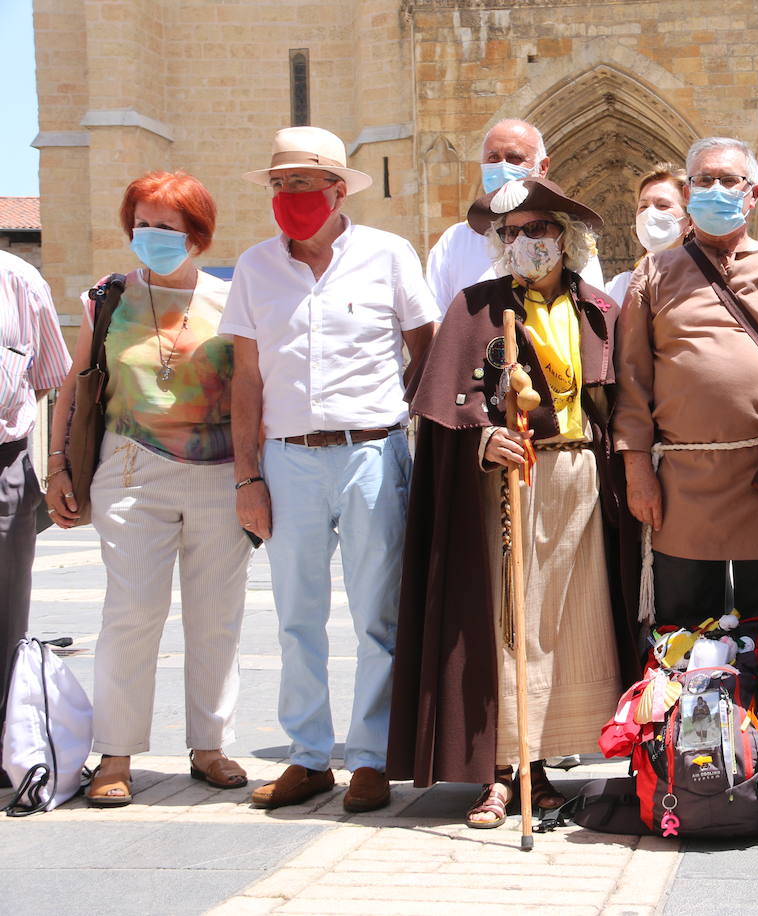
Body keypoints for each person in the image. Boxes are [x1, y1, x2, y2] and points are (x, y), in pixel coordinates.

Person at [388, 177, 634, 828]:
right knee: (507, 625)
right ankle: (498, 773)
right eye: (511, 233)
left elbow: (617, 402)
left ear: (565, 237)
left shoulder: (598, 310)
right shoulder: (476, 307)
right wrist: (482, 436)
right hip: (507, 485)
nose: (524, 242)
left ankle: (540, 766)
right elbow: (443, 410)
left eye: (537, 229)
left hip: (579, 479)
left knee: (566, 626)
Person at [221, 127, 438, 813]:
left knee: (378, 615)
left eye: (302, 183)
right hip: (288, 459)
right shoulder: (255, 266)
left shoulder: (388, 254)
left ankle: (371, 758)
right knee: (296, 616)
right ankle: (310, 756)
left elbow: (426, 348)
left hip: (372, 452)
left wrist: (404, 423)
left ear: (338, 191)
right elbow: (246, 378)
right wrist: (247, 477)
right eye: (279, 184)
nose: (288, 195)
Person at [44, 171, 248, 806]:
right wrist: (57, 464)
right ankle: (117, 752)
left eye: (167, 225)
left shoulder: (233, 300)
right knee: (131, 613)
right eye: (142, 223)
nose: (151, 234)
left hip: (218, 471)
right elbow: (76, 384)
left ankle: (210, 745)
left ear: (197, 233)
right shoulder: (108, 297)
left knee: (217, 614)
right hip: (131, 468)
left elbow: (254, 389)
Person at [614, 137, 758, 628]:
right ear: (688, 193)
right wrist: (638, 473)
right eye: (703, 180)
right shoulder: (654, 272)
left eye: (728, 180)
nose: (715, 189)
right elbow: (632, 381)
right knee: (684, 632)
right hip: (684, 485)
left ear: (753, 194)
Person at [1, 250, 70, 783]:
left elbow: (48, 378)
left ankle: (6, 749)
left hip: (3, 463)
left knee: (5, 619)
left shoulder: (19, 280)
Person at [426, 119, 603, 314]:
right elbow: (438, 320)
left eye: (514, 158)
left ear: (542, 167)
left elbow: (593, 311)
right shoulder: (455, 241)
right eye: (493, 158)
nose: (502, 166)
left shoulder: (570, 239)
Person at [604, 163, 690, 305]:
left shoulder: (705, 283)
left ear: (689, 221)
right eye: (643, 206)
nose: (649, 213)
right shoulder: (619, 287)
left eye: (662, 205)